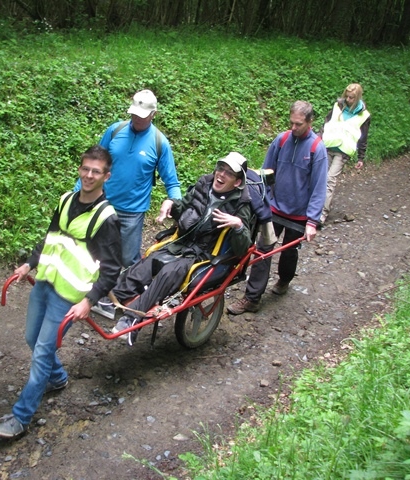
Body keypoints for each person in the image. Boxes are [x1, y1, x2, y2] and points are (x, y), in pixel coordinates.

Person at [0, 145, 123, 439]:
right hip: (45, 281)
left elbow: (112, 268)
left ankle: (20, 417)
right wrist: (29, 264)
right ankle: (58, 378)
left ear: (106, 176)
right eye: (85, 168)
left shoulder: (106, 218)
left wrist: (89, 301)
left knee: (42, 351)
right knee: (31, 338)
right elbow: (50, 237)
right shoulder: (66, 200)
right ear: (80, 169)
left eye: (96, 171)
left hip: (68, 295)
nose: (89, 175)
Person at [111, 152, 256, 345]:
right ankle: (113, 297)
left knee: (170, 271)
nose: (221, 174)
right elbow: (184, 208)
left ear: (237, 182)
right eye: (220, 168)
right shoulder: (203, 185)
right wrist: (171, 205)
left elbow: (242, 249)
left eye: (229, 173)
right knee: (150, 259)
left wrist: (238, 226)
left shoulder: (241, 205)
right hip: (181, 243)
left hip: (203, 256)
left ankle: (132, 318)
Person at [227, 100, 327, 315]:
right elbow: (264, 173)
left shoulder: (316, 149)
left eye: (298, 124)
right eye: (291, 122)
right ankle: (252, 298)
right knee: (262, 251)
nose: (293, 128)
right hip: (272, 208)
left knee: (289, 252)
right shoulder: (281, 140)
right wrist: (259, 201)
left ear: (310, 122)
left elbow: (319, 187)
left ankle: (284, 280)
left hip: (299, 214)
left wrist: (312, 221)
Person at [76, 89, 182, 268]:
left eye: (142, 115)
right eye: (134, 114)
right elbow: (94, 164)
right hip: (102, 203)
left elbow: (172, 181)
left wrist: (173, 201)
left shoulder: (159, 143)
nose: (137, 118)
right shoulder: (115, 131)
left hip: (132, 212)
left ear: (153, 114)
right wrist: (77, 193)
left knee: (127, 259)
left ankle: (132, 292)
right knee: (95, 253)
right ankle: (94, 292)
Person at [319, 83, 371, 224]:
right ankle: (314, 208)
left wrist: (361, 157)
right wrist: (318, 138)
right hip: (328, 146)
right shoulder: (337, 106)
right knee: (320, 177)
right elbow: (326, 123)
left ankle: (322, 214)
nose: (348, 99)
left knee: (330, 179)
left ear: (358, 97)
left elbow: (363, 137)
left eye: (352, 98)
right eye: (347, 96)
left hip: (343, 151)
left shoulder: (364, 115)